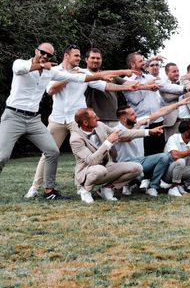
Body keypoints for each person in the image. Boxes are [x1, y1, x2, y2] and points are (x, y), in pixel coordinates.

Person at [0, 42, 121, 200]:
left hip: (34, 118)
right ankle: (35, 186)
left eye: (49, 55)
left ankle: (49, 191)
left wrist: (101, 75)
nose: (45, 56)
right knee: (2, 156)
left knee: (52, 151)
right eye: (43, 53)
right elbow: (24, 71)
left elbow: (78, 78)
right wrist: (43, 66)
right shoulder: (21, 64)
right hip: (14, 116)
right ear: (36, 51)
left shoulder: (51, 72)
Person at [70, 108, 160, 203]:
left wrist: (148, 132)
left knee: (137, 168)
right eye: (94, 117)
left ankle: (107, 189)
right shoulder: (75, 139)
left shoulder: (99, 125)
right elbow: (92, 161)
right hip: (87, 171)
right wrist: (108, 142)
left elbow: (121, 133)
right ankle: (85, 190)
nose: (98, 118)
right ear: (85, 122)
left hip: (106, 167)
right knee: (99, 170)